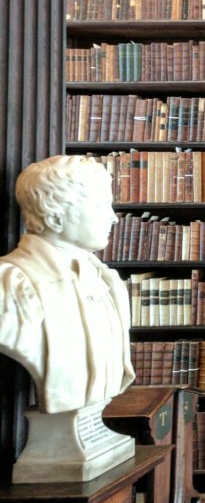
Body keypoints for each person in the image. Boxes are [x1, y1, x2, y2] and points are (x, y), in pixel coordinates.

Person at [0, 155, 134, 414]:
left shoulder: (107, 281)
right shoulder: (10, 284)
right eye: (100, 206)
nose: (114, 218)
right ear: (55, 215)